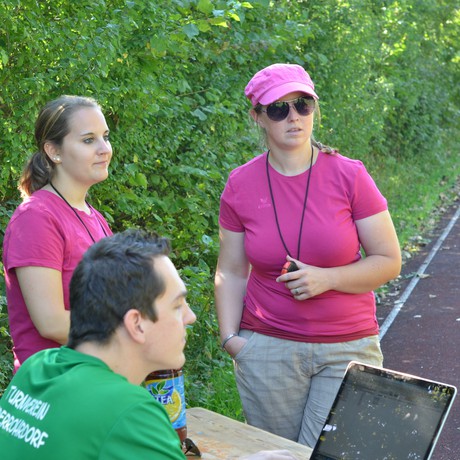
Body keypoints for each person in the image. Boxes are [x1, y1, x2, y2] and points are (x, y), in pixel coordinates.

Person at [214, 63, 402, 447]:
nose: (294, 117)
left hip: (346, 346)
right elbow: (231, 271)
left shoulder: (350, 175)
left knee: (331, 453)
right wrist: (231, 339)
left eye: (303, 105)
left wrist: (327, 278)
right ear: (257, 117)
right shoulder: (241, 184)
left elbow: (388, 260)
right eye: (278, 109)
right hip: (267, 349)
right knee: (276, 454)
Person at [0, 229, 297, 460]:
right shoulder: (129, 412)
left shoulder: (37, 369)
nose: (190, 317)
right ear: (137, 324)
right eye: (178, 305)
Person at [2, 95, 113, 372]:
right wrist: (131, 332)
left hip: (94, 377)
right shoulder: (36, 218)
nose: (104, 149)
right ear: (54, 151)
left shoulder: (96, 218)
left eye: (105, 137)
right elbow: (51, 322)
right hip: (54, 382)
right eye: (88, 140)